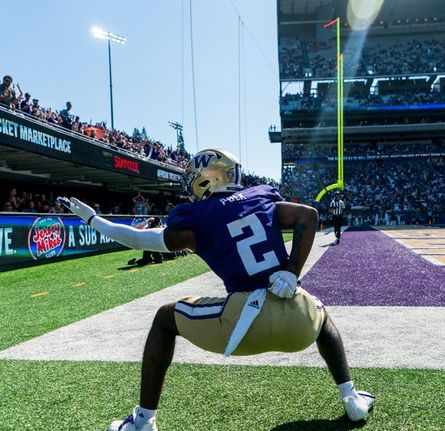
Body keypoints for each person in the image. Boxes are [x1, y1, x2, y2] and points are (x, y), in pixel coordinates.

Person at [58, 149, 374, 430]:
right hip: (299, 321)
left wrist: (94, 220)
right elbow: (309, 214)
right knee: (322, 315)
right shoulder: (262, 196)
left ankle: (143, 421)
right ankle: (351, 399)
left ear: (206, 179)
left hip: (244, 321)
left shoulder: (197, 217)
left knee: (165, 319)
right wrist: (291, 272)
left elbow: (140, 240)